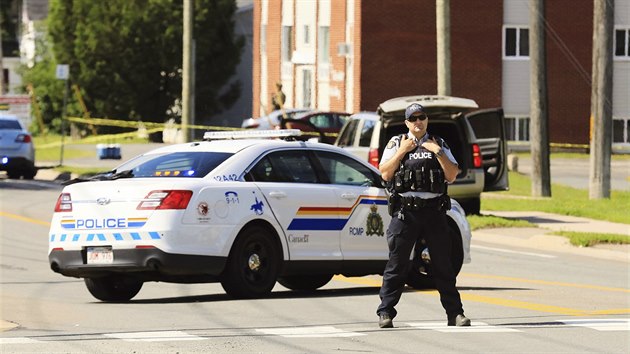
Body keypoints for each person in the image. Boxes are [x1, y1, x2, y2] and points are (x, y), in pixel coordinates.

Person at [376, 102, 471, 328]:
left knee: (443, 266)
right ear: (407, 122)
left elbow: (451, 175)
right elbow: (386, 173)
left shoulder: (438, 143)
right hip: (405, 212)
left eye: (422, 117)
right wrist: (402, 151)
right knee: (397, 265)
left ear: (426, 120)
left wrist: (436, 151)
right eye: (413, 118)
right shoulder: (397, 142)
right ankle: (385, 311)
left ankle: (455, 314)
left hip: (434, 212)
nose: (418, 122)